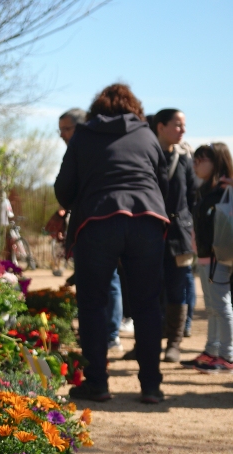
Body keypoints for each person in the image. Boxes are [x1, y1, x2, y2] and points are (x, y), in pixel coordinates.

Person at [55, 83, 169, 404]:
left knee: (92, 304)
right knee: (147, 305)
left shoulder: (84, 135)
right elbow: (163, 184)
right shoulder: (146, 135)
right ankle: (151, 386)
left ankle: (98, 384)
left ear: (96, 109)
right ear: (134, 106)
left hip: (98, 222)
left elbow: (64, 189)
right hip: (146, 221)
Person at [55, 108, 127, 352]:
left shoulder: (90, 148)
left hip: (101, 222)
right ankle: (100, 334)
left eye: (67, 129)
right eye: (61, 130)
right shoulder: (81, 147)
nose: (63, 134)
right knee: (97, 282)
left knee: (111, 280)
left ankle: (111, 333)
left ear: (81, 127)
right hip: (87, 221)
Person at [183, 143, 233, 373]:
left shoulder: (225, 189)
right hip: (205, 255)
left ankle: (227, 355)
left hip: (219, 256)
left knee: (221, 305)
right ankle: (213, 350)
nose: (195, 164)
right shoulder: (206, 189)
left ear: (216, 162)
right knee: (213, 306)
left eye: (200, 160)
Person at [154, 109, 199, 362]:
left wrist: (190, 228)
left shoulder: (184, 160)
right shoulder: (147, 156)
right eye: (177, 125)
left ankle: (174, 344)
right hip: (151, 233)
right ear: (161, 126)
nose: (182, 130)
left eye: (184, 125)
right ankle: (145, 343)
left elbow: (193, 198)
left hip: (179, 235)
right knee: (147, 289)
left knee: (177, 289)